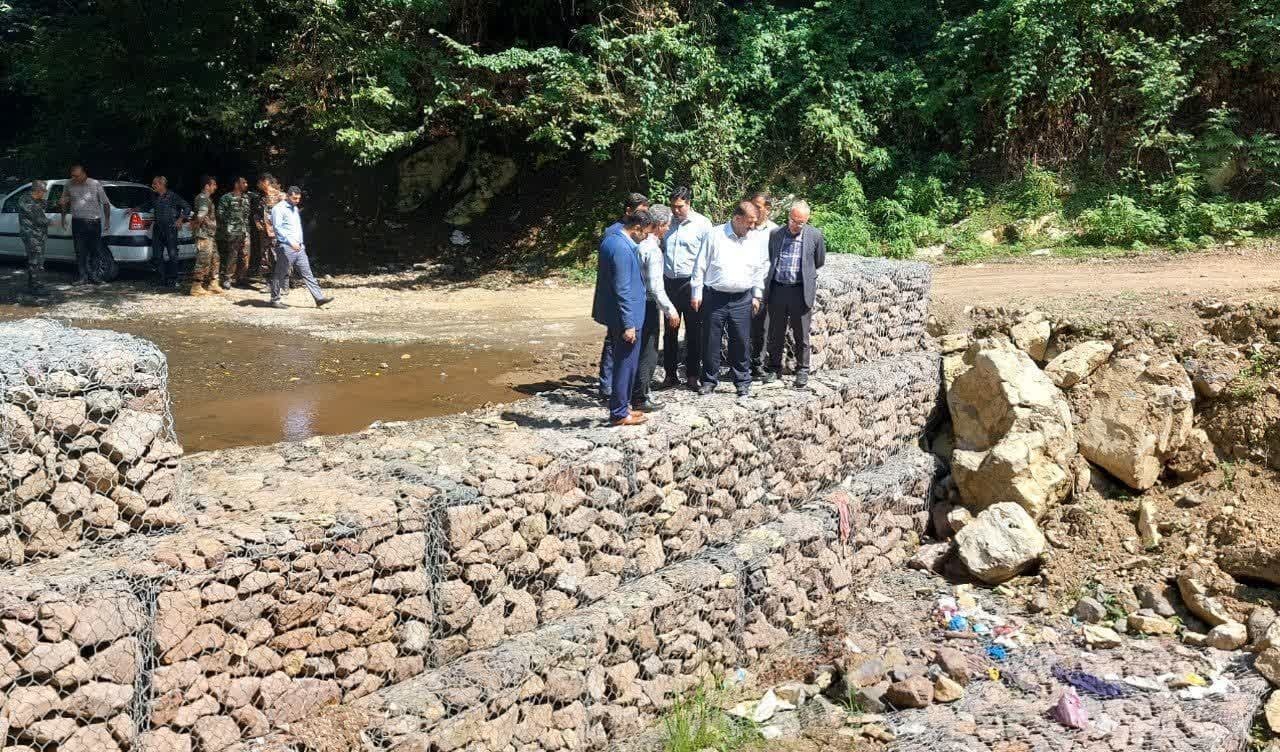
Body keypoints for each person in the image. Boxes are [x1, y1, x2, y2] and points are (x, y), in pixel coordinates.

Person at [691, 200, 765, 400]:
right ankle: (708, 381)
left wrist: (757, 294)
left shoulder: (755, 239)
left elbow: (759, 268)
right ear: (736, 218)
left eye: (754, 223)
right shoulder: (714, 235)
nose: (752, 227)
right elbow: (700, 265)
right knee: (710, 341)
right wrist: (696, 293)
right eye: (749, 222)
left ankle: (742, 382)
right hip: (715, 296)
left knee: (741, 341)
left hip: (743, 298)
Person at [592, 210, 651, 426]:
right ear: (636, 228)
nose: (646, 237)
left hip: (620, 315)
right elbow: (622, 288)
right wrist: (629, 324)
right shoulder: (622, 249)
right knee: (625, 365)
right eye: (645, 233)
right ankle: (618, 412)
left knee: (626, 363)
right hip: (626, 318)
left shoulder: (612, 238)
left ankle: (623, 406)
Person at [763, 200, 826, 388]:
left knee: (801, 335)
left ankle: (802, 370)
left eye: (800, 222)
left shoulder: (815, 236)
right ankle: (774, 368)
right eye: (793, 220)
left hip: (801, 291)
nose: (795, 225)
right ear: (788, 217)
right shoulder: (775, 234)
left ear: (807, 221)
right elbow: (771, 256)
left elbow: (819, 261)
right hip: (778, 289)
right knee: (775, 333)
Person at [661, 186, 713, 390]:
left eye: (679, 207)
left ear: (689, 203)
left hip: (691, 283)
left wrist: (700, 288)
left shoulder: (702, 224)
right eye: (673, 206)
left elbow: (708, 256)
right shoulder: (667, 223)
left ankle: (692, 375)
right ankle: (670, 375)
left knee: (694, 331)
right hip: (669, 283)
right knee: (670, 331)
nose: (675, 211)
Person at [631, 205, 681, 411]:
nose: (669, 228)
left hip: (635, 303)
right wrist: (670, 310)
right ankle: (641, 397)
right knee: (649, 352)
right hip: (648, 305)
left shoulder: (637, 243)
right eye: (667, 225)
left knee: (638, 350)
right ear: (659, 225)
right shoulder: (652, 249)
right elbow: (655, 287)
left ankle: (634, 393)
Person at [269, 186, 334, 309]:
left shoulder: (294, 208)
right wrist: (289, 242)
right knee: (280, 274)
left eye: (298, 198)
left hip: (299, 247)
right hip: (286, 247)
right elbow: (278, 228)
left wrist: (300, 244)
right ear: (288, 196)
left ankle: (319, 298)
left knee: (307, 273)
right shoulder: (279, 209)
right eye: (294, 198)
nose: (297, 200)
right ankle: (274, 299)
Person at [133, 176, 191, 289]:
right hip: (158, 229)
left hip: (170, 229)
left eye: (155, 184)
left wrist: (180, 220)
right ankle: (161, 279)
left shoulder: (173, 196)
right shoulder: (154, 196)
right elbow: (148, 205)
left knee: (172, 255)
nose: (153, 186)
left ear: (161, 184)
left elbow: (187, 207)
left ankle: (173, 280)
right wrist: (135, 209)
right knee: (157, 255)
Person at [58, 165, 110, 285]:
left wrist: (107, 220)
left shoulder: (95, 184)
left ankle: (95, 276)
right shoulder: (69, 184)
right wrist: (63, 217)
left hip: (94, 222)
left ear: (84, 174)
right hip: (77, 221)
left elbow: (106, 203)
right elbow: (63, 202)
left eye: (76, 176)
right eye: (72, 176)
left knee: (95, 250)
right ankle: (82, 277)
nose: (74, 178)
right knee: (80, 251)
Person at [747, 191, 778, 378]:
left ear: (768, 209)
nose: (755, 210)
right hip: (742, 280)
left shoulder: (775, 231)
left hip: (764, 283)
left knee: (761, 326)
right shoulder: (744, 226)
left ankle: (757, 363)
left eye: (758, 207)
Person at [190, 176, 222, 296]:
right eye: (213, 185)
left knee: (215, 259)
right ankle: (196, 286)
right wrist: (196, 225)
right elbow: (201, 215)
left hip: (209, 234)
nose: (215, 187)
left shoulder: (207, 199)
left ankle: (213, 283)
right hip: (204, 235)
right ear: (207, 186)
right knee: (203, 259)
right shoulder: (203, 198)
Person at [218, 176, 252, 288]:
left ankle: (241, 279)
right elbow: (220, 213)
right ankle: (228, 278)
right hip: (232, 231)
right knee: (232, 255)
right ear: (237, 184)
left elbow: (247, 215)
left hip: (245, 231)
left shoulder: (246, 198)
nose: (246, 184)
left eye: (246, 182)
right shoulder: (227, 197)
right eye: (244, 182)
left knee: (245, 255)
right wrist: (229, 225)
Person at [18, 181, 51, 296]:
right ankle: (36, 287)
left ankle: (33, 285)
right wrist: (51, 222)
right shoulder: (26, 200)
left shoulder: (36, 200)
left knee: (36, 260)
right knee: (36, 262)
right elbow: (38, 218)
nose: (44, 194)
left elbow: (45, 204)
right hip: (32, 236)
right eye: (43, 191)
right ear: (38, 191)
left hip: (38, 236)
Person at [252, 173, 285, 282]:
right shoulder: (262, 198)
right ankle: (269, 282)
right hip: (265, 233)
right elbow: (257, 213)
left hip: (278, 233)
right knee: (265, 256)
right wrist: (257, 222)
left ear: (265, 182)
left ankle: (283, 283)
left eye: (260, 182)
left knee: (279, 256)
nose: (258, 185)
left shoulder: (281, 196)